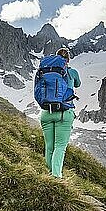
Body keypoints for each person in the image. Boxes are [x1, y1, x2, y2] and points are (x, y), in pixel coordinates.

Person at [40, 48, 80, 178]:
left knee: (49, 146)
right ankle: (56, 177)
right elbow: (78, 84)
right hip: (64, 112)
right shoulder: (72, 72)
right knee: (60, 147)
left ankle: (48, 175)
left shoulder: (47, 70)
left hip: (46, 112)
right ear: (67, 59)